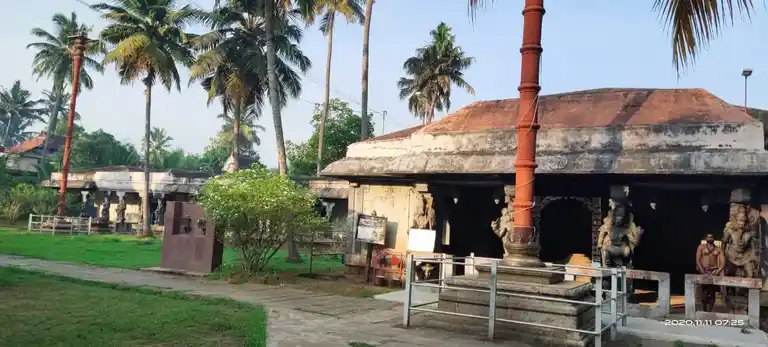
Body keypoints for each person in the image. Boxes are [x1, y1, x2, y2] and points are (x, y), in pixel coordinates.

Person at [695, 233, 725, 312]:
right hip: (704, 270)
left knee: (712, 292)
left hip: (714, 270)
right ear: (706, 238)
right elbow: (698, 259)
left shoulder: (718, 249)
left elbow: (723, 263)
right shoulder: (701, 247)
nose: (710, 238)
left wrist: (717, 271)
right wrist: (702, 270)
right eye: (708, 237)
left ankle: (710, 311)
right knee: (704, 292)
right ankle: (704, 308)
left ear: (713, 238)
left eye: (711, 237)